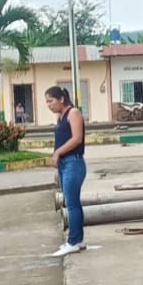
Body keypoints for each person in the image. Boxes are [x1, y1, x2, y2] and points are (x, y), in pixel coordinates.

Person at [47, 86, 88, 257]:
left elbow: (77, 138)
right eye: (47, 102)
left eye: (51, 101)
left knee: (71, 204)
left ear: (61, 99)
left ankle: (73, 241)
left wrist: (58, 153)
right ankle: (77, 239)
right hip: (64, 164)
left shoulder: (73, 113)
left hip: (74, 162)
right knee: (71, 202)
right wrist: (58, 167)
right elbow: (60, 140)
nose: (49, 105)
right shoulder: (60, 117)